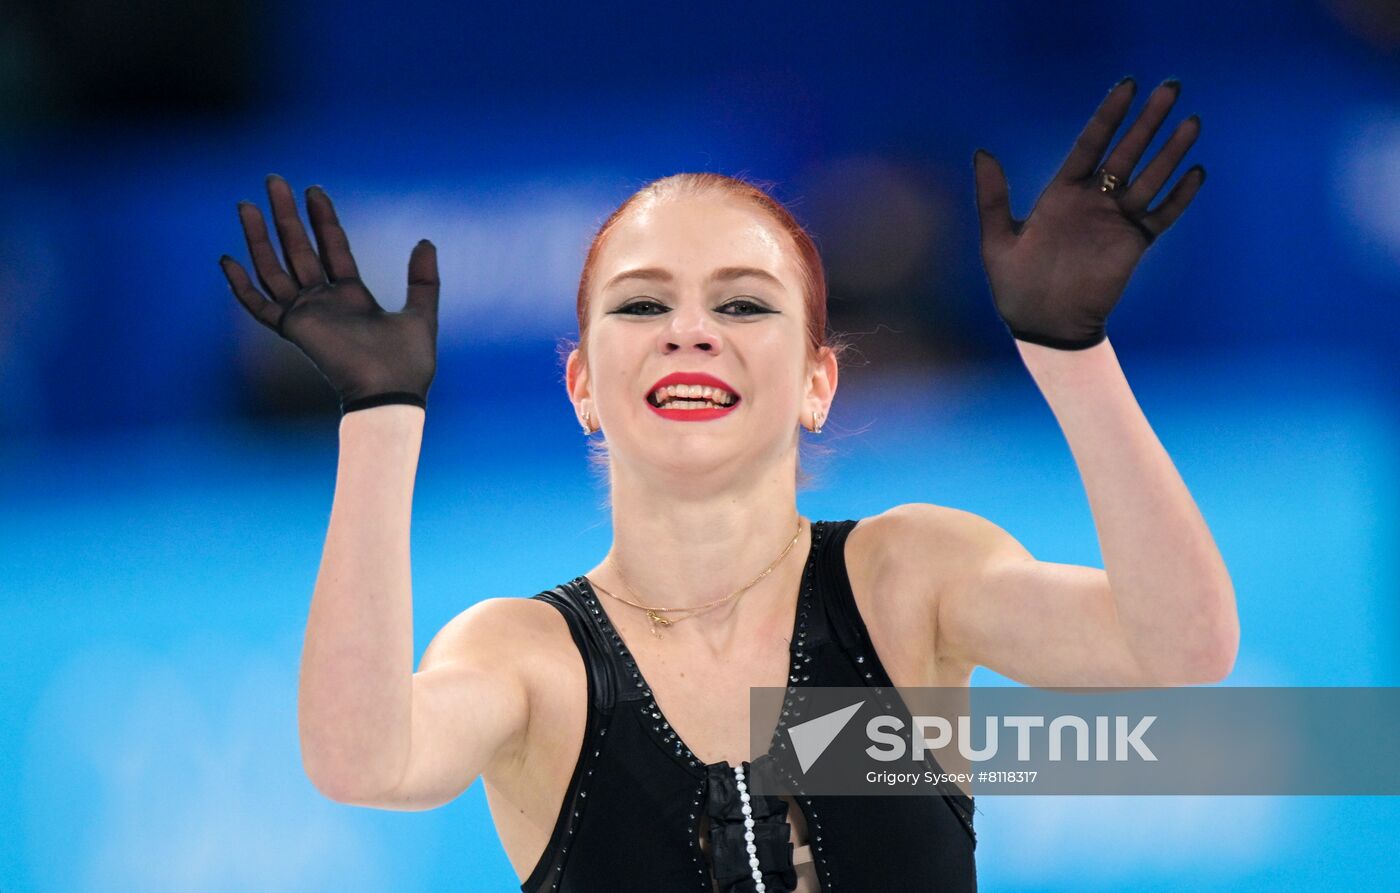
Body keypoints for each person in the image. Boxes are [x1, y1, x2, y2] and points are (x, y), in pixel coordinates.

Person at [219, 75, 1238, 893]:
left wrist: (1070, 353)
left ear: (817, 381)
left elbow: (1181, 645)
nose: (690, 330)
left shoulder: (906, 579)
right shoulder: (528, 658)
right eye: (641, 305)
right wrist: (381, 418)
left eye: (743, 304)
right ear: (582, 386)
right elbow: (361, 759)